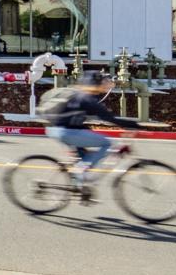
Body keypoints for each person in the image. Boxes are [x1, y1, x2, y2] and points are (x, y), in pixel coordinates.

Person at [39, 70, 138, 198]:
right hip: (65, 132)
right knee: (106, 143)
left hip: (56, 129)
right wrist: (135, 125)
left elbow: (75, 118)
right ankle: (81, 171)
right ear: (96, 84)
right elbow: (110, 118)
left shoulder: (79, 95)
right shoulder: (87, 98)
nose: (106, 85)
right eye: (103, 82)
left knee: (85, 154)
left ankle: (80, 186)